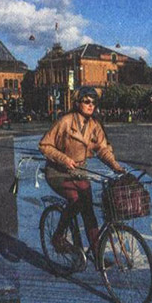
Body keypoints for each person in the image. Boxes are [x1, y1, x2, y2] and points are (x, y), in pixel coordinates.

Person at [38, 86, 125, 258]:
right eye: (86, 101)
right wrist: (64, 159)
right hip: (58, 172)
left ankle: (97, 255)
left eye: (93, 102)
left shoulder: (94, 125)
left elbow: (103, 149)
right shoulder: (65, 121)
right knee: (76, 200)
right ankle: (58, 237)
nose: (91, 105)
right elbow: (44, 145)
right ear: (78, 103)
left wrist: (116, 167)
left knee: (89, 211)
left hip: (79, 171)